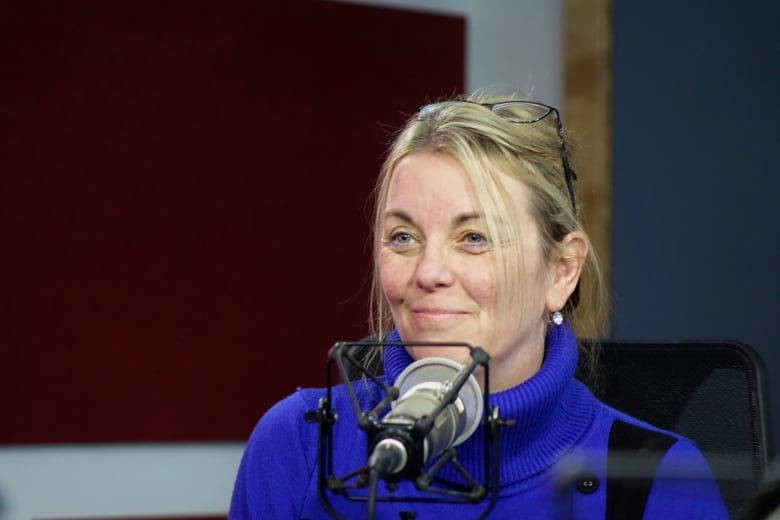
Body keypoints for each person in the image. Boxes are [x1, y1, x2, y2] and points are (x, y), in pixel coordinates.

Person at [229, 92, 728, 519]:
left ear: (561, 271)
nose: (428, 272)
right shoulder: (296, 445)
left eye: (473, 238)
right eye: (403, 237)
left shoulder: (659, 480)